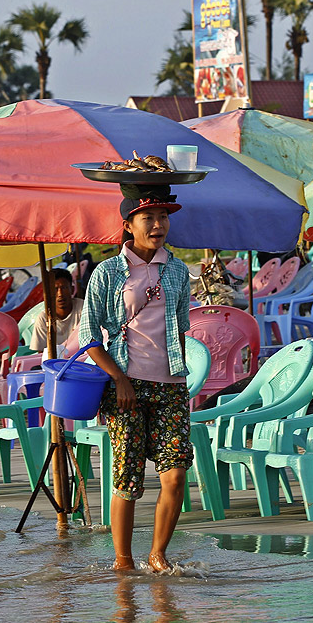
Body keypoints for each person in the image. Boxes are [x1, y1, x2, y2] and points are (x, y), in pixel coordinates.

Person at [79, 190, 192, 572]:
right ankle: (123, 561)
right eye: (149, 218)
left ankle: (158, 554)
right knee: (127, 479)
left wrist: (176, 374)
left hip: (171, 385)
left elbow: (182, 325)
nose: (158, 224)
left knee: (175, 475)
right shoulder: (107, 273)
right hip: (126, 386)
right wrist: (118, 379)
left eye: (163, 217)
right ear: (128, 226)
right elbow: (89, 336)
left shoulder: (176, 270)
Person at [29, 268, 83, 352]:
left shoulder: (83, 309)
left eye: (64, 288)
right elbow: (41, 352)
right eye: (55, 289)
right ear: (48, 293)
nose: (60, 294)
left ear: (72, 290)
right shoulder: (43, 318)